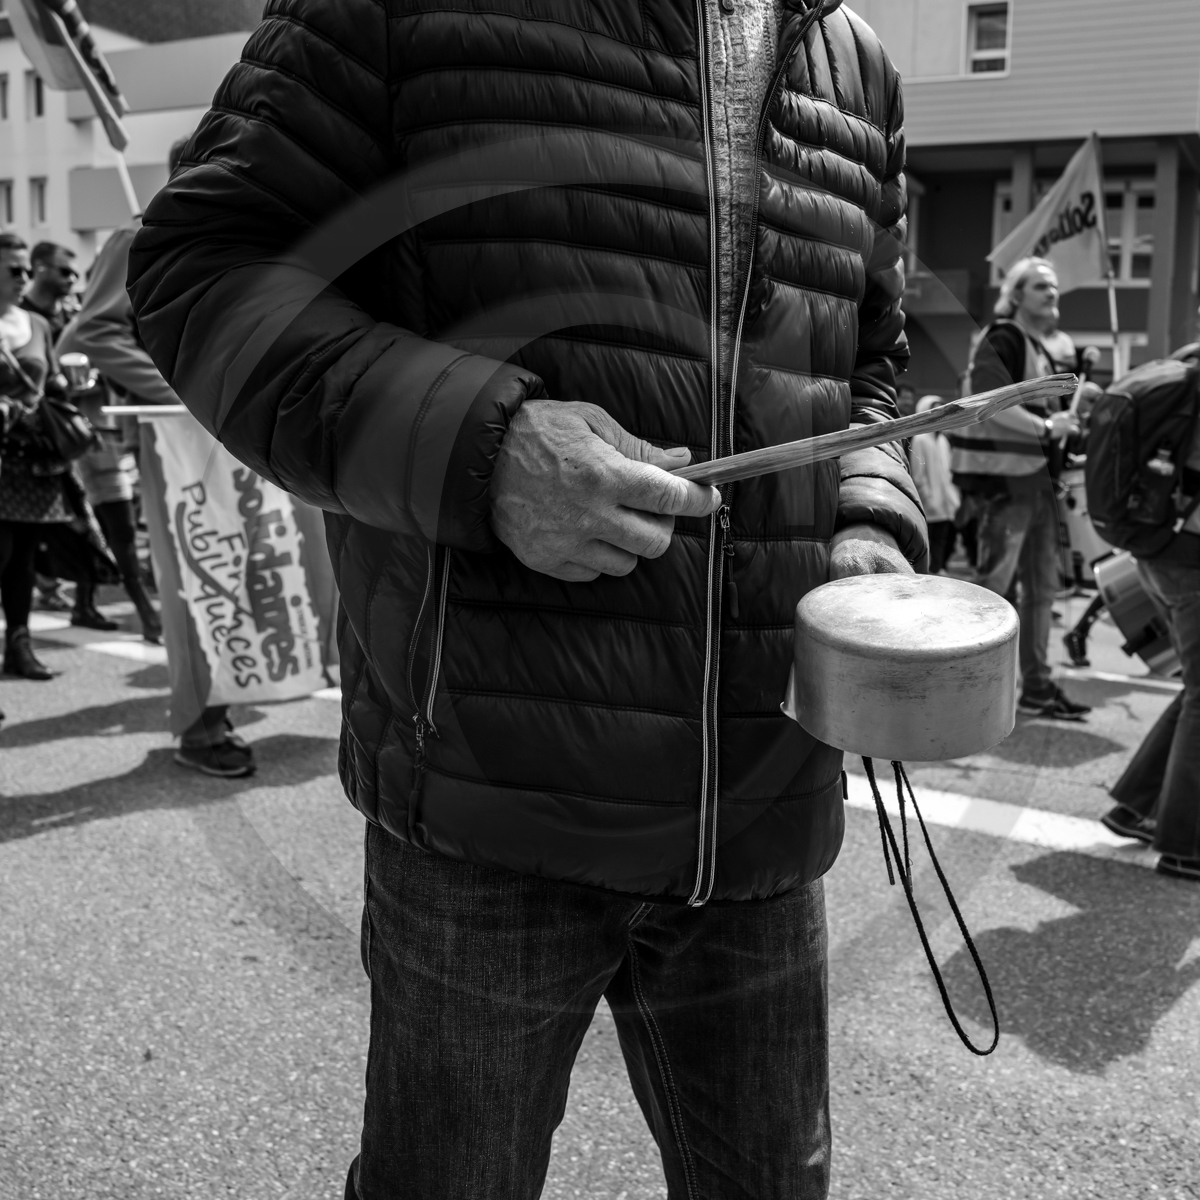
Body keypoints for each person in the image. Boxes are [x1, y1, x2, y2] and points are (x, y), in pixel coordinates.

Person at [129, 3, 928, 1195]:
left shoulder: (854, 58)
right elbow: (205, 268)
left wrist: (866, 516)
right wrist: (483, 450)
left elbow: (869, 368)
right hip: (487, 792)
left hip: (762, 799)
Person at [65, 145, 253, 778]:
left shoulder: (241, 240)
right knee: (200, 577)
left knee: (249, 570)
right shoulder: (139, 234)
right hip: (182, 437)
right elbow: (89, 332)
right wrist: (185, 394)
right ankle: (202, 727)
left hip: (245, 434)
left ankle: (236, 700)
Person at [951, 257, 1091, 720]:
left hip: (1034, 487)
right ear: (1016, 296)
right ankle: (967, 690)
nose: (1051, 293)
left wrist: (1064, 422)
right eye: (1039, 286)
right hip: (1007, 487)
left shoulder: (1037, 346)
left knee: (1041, 592)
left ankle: (1036, 688)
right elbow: (989, 401)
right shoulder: (1005, 336)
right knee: (997, 588)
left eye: (1053, 286)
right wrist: (1051, 423)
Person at [1101, 389, 1200, 881]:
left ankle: (1134, 809)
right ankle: (1185, 844)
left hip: (1163, 550)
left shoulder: (1184, 378)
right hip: (1191, 556)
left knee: (1195, 692)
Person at [0, 232, 72, 681]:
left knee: (23, 557)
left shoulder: (38, 324)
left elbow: (53, 380)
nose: (24, 277)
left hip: (32, 460)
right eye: (13, 270)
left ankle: (19, 647)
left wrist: (71, 387)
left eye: (27, 269)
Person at [910, 395, 961, 575]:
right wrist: (928, 498)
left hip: (946, 502)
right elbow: (918, 474)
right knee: (931, 542)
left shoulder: (942, 440)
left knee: (945, 540)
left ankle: (938, 570)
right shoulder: (920, 439)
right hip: (930, 503)